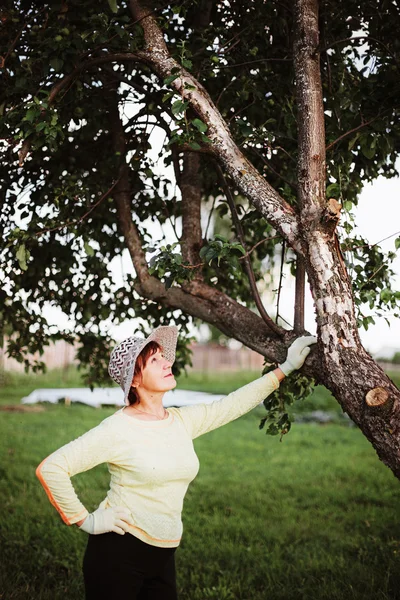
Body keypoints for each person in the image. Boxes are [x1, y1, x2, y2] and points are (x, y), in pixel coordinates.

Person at [36, 326, 317, 600]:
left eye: (163, 356)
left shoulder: (180, 421)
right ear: (134, 379)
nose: (166, 362)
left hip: (163, 555)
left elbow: (232, 404)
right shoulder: (117, 429)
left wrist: (286, 367)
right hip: (118, 554)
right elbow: (52, 468)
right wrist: (87, 521)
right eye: (154, 360)